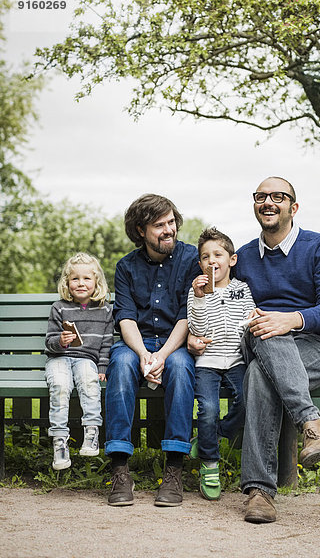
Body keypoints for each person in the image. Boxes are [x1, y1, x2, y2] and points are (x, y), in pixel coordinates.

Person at [188, 176, 320, 523]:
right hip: (260, 339)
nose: (268, 202)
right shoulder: (242, 256)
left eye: (278, 196)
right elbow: (217, 295)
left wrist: (289, 320)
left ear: (294, 206)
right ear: (255, 205)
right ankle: (312, 425)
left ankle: (259, 491)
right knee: (261, 326)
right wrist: (191, 332)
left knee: (260, 371)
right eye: (261, 196)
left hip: (316, 347)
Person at [105, 193, 201, 508]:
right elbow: (126, 317)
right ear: (141, 231)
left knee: (181, 367)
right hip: (137, 342)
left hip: (175, 341)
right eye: (159, 225)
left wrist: (161, 356)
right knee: (120, 364)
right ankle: (120, 469)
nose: (168, 229)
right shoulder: (126, 267)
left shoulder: (190, 259)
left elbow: (189, 315)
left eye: (171, 222)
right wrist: (145, 354)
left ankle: (173, 469)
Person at [187, 227, 255, 501]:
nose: (212, 260)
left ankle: (210, 438)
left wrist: (251, 320)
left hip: (236, 360)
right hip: (208, 361)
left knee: (246, 399)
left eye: (218, 254)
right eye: (205, 256)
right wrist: (201, 297)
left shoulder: (242, 289)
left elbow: (249, 319)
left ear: (232, 260)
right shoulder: (197, 291)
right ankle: (210, 463)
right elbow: (197, 327)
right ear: (200, 263)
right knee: (209, 409)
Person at [45, 252, 114, 471]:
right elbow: (49, 343)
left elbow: (106, 343)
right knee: (60, 386)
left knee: (89, 382)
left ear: (96, 282)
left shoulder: (104, 310)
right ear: (67, 283)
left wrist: (102, 367)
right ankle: (59, 441)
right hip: (60, 359)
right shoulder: (59, 307)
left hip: (86, 360)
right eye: (75, 279)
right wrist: (61, 341)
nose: (81, 283)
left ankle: (91, 432)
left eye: (87, 278)